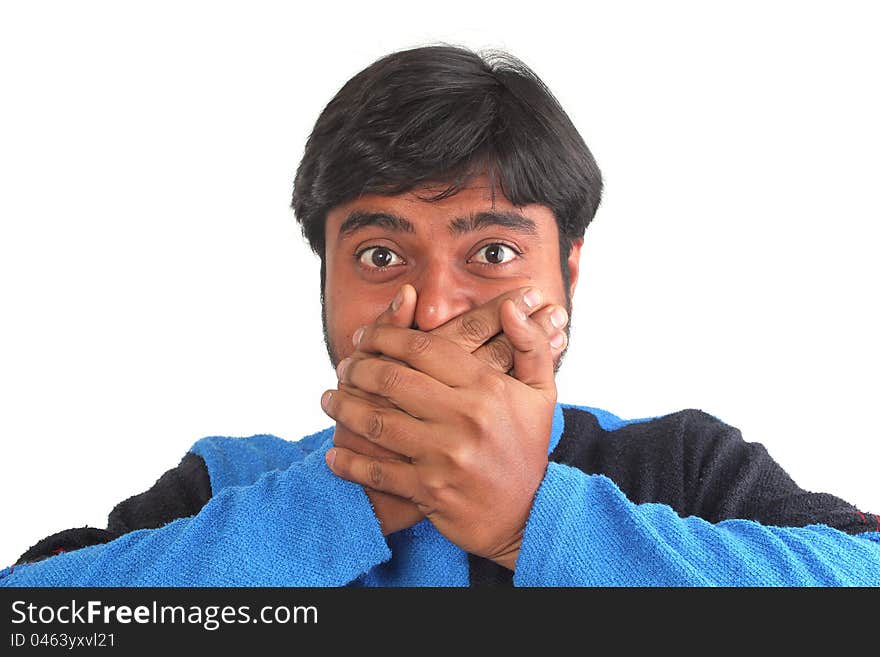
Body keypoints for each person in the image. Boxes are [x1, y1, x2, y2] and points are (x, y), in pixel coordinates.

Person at [3, 44, 879, 587]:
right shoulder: (225, 485)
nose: (429, 308)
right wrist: (339, 504)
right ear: (324, 277)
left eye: (493, 253)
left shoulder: (681, 466)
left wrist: (527, 517)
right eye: (381, 255)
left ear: (568, 268)